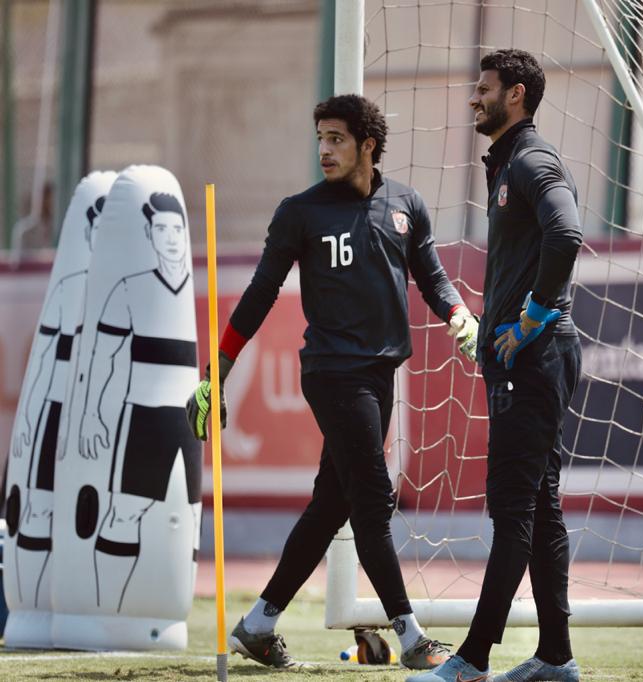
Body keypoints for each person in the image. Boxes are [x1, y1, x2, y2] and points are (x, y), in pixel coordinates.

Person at [185, 94, 479, 670]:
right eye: (320, 137)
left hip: (380, 373)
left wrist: (459, 313)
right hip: (333, 373)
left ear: (368, 145)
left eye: (336, 138)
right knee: (372, 499)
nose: (324, 149)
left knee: (332, 504)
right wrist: (216, 371)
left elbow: (432, 275)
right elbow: (260, 294)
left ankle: (258, 624)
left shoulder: (406, 204)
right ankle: (412, 638)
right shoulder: (300, 212)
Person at [408, 49, 583, 682]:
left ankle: (473, 660)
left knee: (514, 509)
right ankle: (556, 658)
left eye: (484, 89)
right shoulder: (507, 163)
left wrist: (532, 316)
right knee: (540, 504)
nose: (473, 97)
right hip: (531, 358)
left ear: (515, 95)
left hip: (535, 357)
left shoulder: (532, 159)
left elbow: (567, 234)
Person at [79, 191, 201, 612]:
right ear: (150, 234)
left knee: (191, 517)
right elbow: (103, 356)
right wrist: (92, 413)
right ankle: (108, 611)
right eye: (161, 229)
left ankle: (171, 610)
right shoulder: (130, 288)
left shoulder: (194, 291)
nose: (170, 237)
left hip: (188, 419)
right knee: (125, 512)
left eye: (176, 229)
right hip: (143, 417)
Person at [12, 193, 106, 607]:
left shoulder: (122, 293)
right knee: (38, 506)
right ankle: (30, 601)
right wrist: (30, 419)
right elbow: (45, 360)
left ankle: (86, 601)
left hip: (94, 416)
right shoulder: (69, 287)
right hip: (56, 408)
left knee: (90, 514)